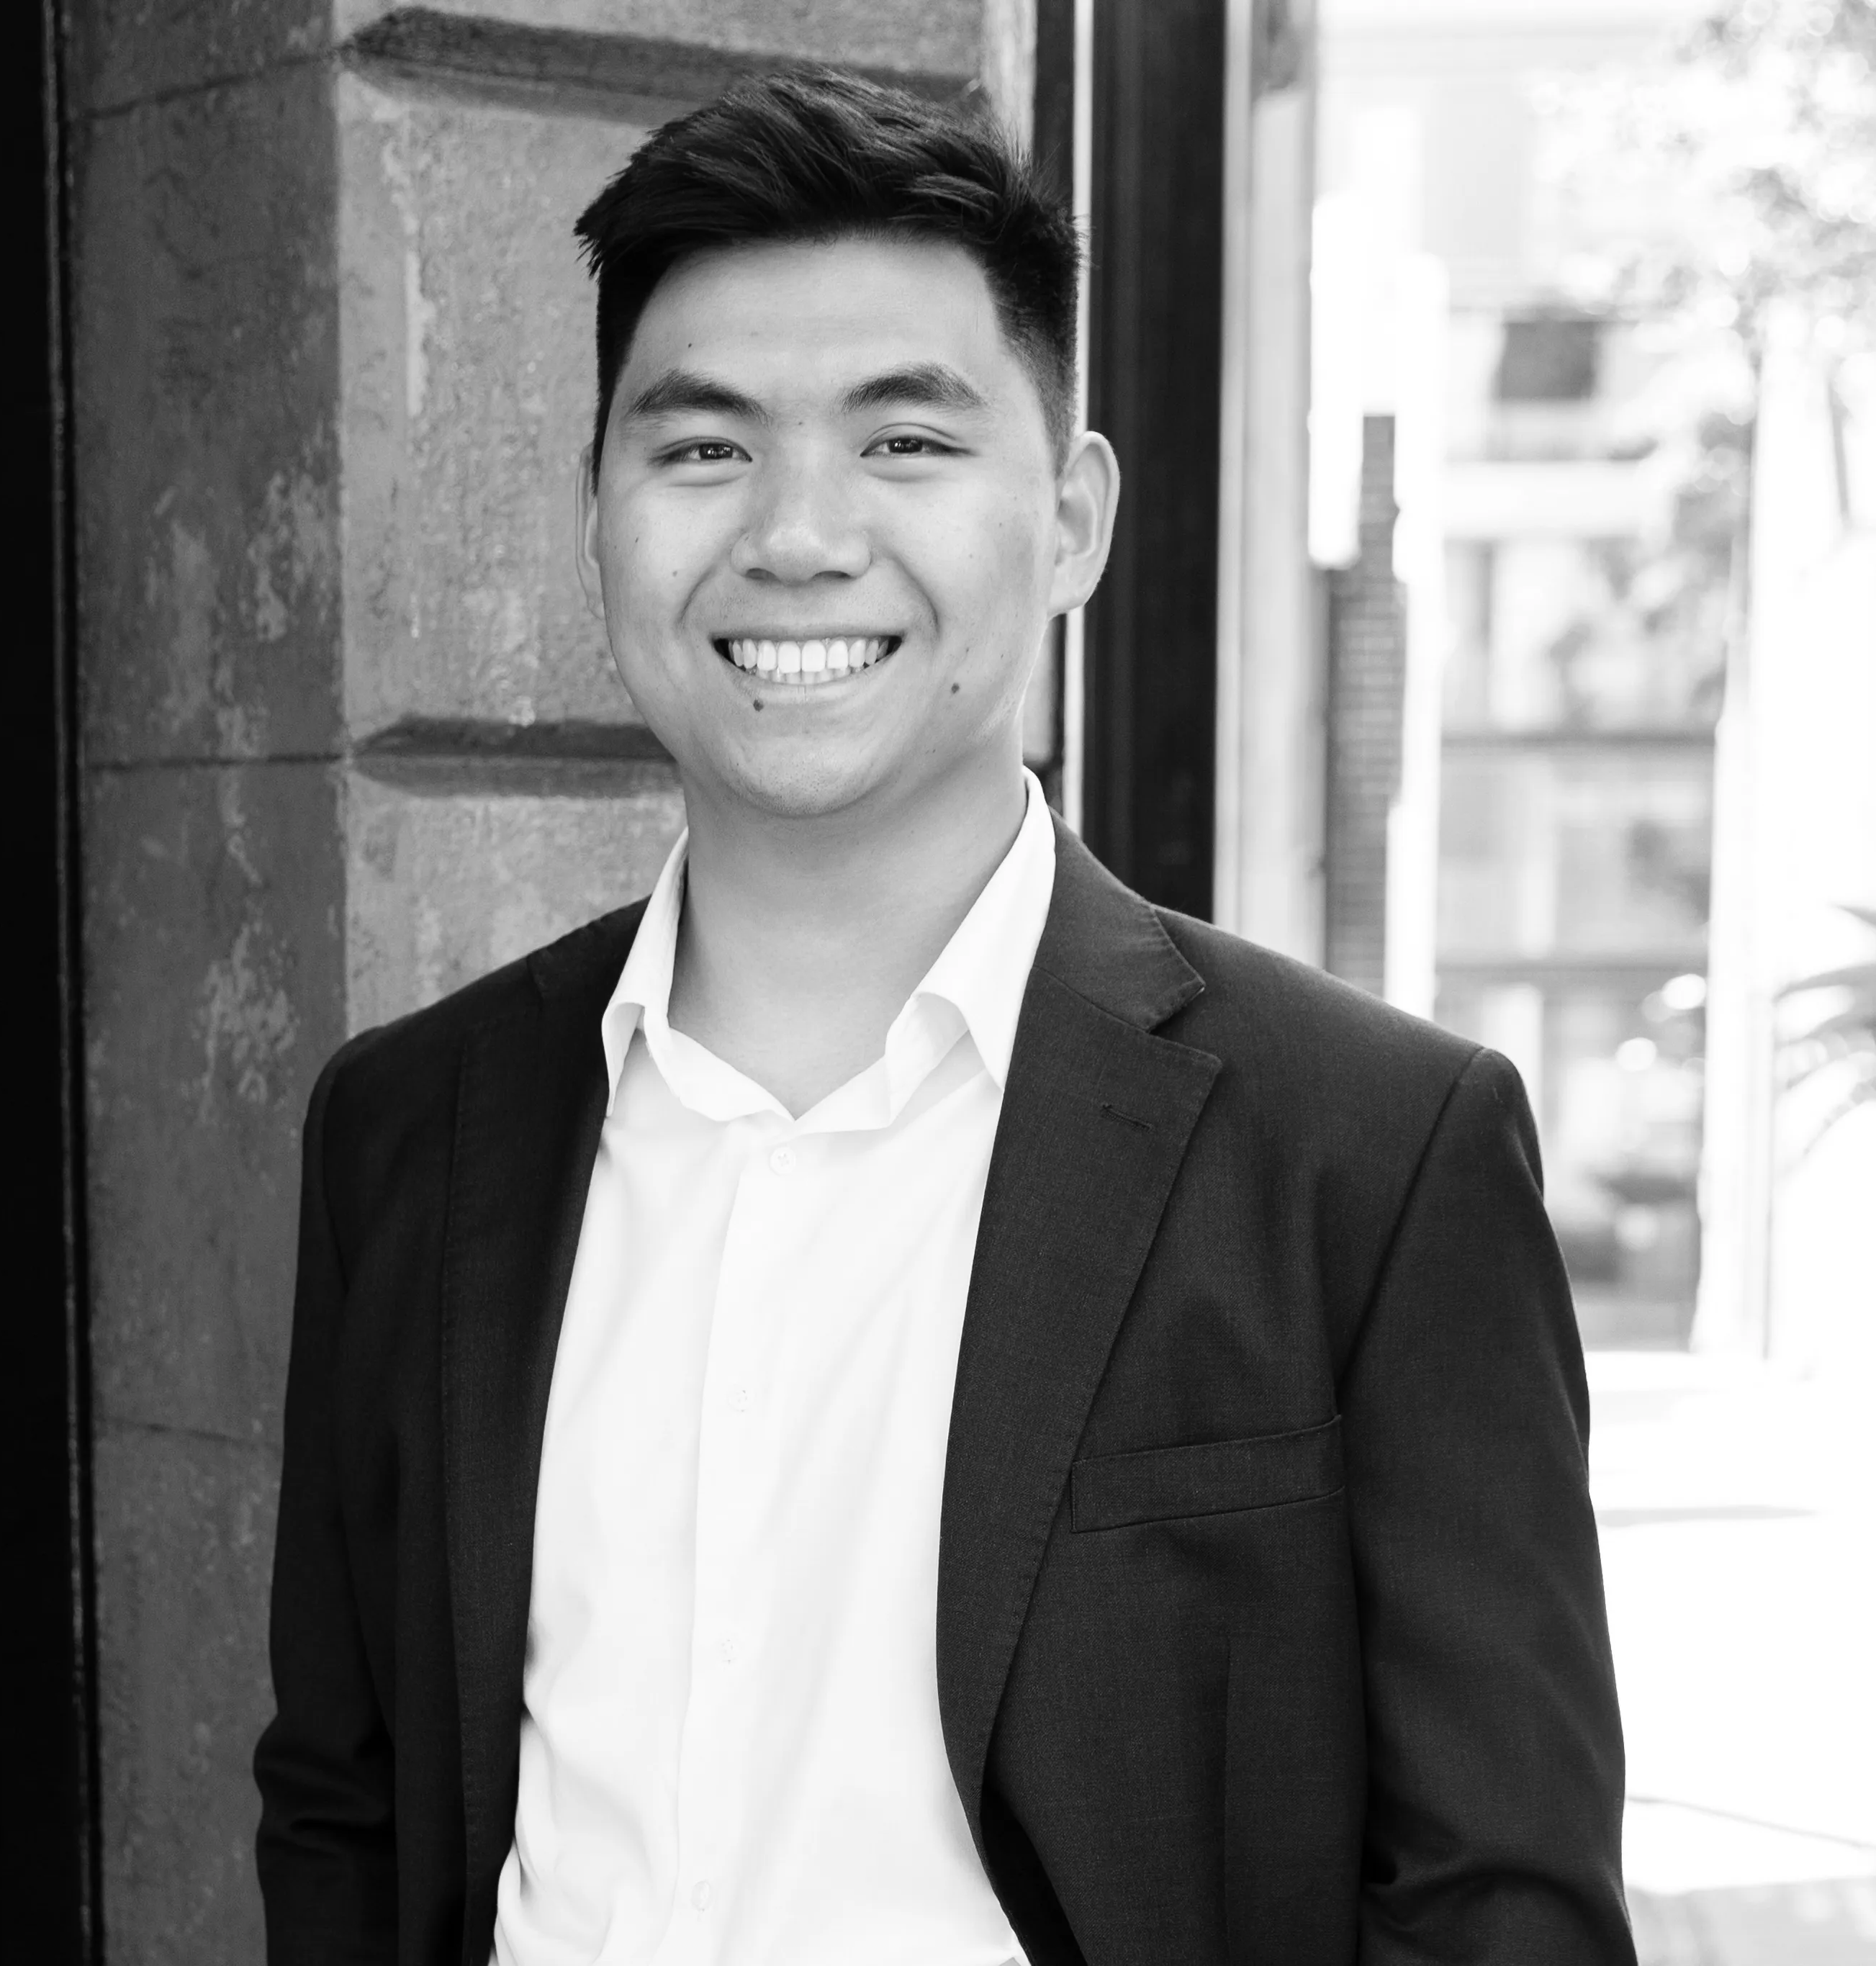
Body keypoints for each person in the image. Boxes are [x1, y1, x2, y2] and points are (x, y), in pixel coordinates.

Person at [255, 67, 1633, 1966]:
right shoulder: (412, 1130)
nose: (801, 536)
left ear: (1068, 521)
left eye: (905, 443)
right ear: (598, 518)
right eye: (704, 446)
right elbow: (347, 1798)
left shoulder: (1368, 1160)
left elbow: (1504, 1915)